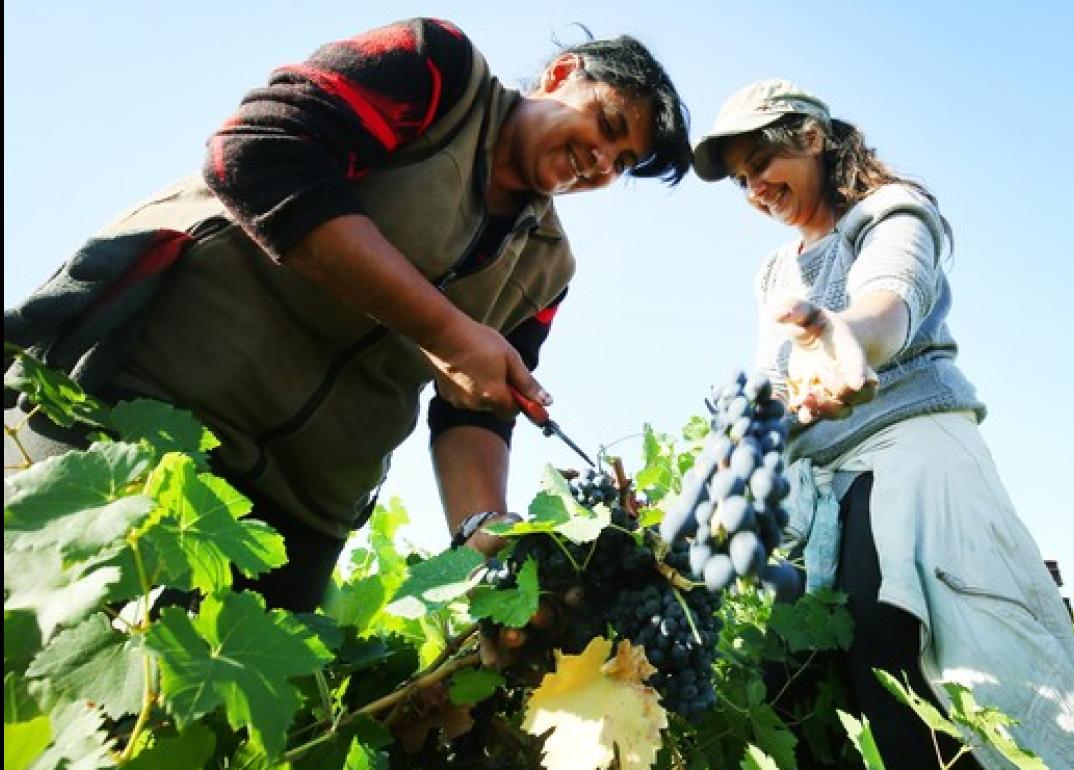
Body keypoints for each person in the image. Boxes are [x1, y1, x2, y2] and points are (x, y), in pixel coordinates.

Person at [3, 17, 692, 613]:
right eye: (606, 124)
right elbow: (257, 152)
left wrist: (486, 535)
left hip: (297, 516)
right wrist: (448, 330)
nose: (601, 160)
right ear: (562, 73)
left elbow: (475, 408)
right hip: (144, 403)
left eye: (622, 162)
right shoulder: (440, 72)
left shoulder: (550, 268)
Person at [692, 80, 1074, 770]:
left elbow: (888, 301)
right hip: (818, 485)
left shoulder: (890, 212)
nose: (755, 189)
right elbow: (770, 384)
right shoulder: (774, 273)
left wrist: (847, 338)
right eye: (740, 181)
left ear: (810, 138)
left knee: (917, 663)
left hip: (911, 458)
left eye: (760, 164)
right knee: (817, 688)